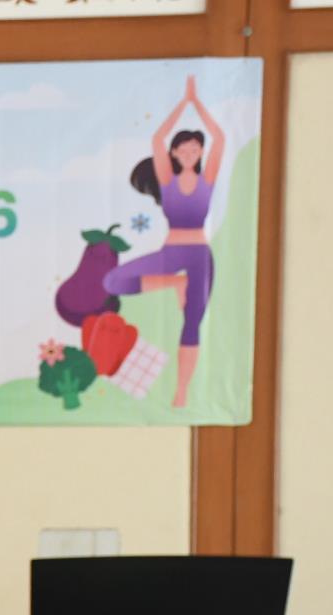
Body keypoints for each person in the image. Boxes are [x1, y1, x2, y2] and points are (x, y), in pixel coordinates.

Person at [104, 74, 227, 407]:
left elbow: (220, 137)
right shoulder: (167, 180)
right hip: (172, 253)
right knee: (113, 281)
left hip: (199, 255)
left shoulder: (207, 179)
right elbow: (157, 138)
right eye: (183, 149)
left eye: (195, 149)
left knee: (193, 323)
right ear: (174, 153)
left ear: (200, 152)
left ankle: (182, 390)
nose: (189, 153)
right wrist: (183, 103)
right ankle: (174, 283)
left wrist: (198, 104)